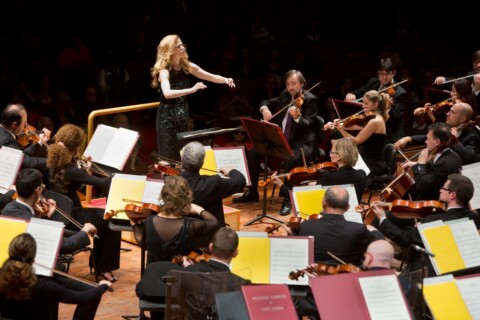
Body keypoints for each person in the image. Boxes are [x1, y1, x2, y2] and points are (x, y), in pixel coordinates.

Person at [232, 70, 319, 216]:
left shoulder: (310, 99)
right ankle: (253, 191)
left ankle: (286, 198)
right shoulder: (286, 94)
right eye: (288, 84)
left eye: (294, 84)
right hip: (280, 140)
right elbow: (265, 102)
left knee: (291, 158)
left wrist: (297, 118)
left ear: (302, 84)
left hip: (300, 144)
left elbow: (309, 124)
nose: (290, 88)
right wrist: (264, 108)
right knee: (254, 151)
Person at [46, 124, 121, 282]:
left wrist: (84, 169)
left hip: (60, 214)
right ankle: (103, 268)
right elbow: (103, 183)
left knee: (105, 219)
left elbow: (76, 178)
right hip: (74, 217)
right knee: (113, 219)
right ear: (75, 146)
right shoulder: (71, 170)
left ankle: (99, 264)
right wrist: (117, 175)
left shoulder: (54, 162)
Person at [371, 174, 480, 274]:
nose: (440, 190)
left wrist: (382, 218)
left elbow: (404, 239)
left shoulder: (432, 221)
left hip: (433, 272)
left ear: (452, 195)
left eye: (444, 188)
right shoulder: (475, 219)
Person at [150, 34, 235, 161]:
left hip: (182, 113)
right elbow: (167, 93)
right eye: (179, 46)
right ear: (171, 50)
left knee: (181, 154)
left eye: (182, 44)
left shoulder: (187, 66)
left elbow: (209, 76)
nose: (183, 47)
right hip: (167, 117)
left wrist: (225, 80)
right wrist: (192, 89)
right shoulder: (164, 71)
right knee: (168, 157)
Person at [0, 233, 112, 320]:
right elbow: (85, 297)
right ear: (34, 258)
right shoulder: (42, 286)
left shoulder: (2, 276)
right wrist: (103, 286)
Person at [1, 168, 97, 256]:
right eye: (42, 187)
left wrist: (45, 216)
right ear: (37, 190)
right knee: (60, 268)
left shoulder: (8, 208)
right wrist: (85, 231)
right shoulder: (32, 222)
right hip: (26, 267)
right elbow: (65, 246)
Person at [131, 175, 220, 264]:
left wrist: (134, 224)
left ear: (163, 196)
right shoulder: (192, 225)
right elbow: (214, 223)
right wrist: (197, 209)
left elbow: (143, 245)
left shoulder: (149, 220)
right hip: (179, 275)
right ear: (186, 198)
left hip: (154, 274)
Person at [179, 141, 245, 247]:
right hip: (209, 239)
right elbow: (240, 181)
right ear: (202, 163)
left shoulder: (170, 183)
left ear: (182, 160)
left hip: (180, 238)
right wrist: (231, 170)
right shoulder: (213, 183)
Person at [298, 185, 385, 266]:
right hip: (348, 277)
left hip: (315, 277)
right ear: (347, 207)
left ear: (323, 202)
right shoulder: (358, 229)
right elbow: (382, 247)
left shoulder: (306, 226)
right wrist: (374, 230)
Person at [272, 137, 367, 205]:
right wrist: (319, 184)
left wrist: (281, 185)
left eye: (332, 152)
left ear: (339, 156)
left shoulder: (329, 177)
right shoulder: (362, 174)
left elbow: (301, 199)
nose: (329, 155)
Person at [327, 90, 389, 178]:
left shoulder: (375, 121)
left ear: (375, 104)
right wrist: (337, 124)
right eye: (363, 102)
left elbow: (355, 142)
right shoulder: (371, 118)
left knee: (344, 173)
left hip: (373, 164)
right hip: (366, 159)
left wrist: (340, 129)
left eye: (366, 103)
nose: (363, 106)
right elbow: (354, 126)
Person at [345, 57, 407, 143]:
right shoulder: (373, 82)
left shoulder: (400, 93)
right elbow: (358, 92)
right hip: (370, 130)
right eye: (381, 74)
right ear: (377, 73)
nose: (384, 77)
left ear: (394, 73)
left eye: (388, 74)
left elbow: (396, 119)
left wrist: (389, 107)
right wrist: (351, 94)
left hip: (389, 134)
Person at [396, 102, 480, 165]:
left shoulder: (471, 136)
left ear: (462, 119)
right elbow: (432, 137)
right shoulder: (449, 127)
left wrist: (455, 140)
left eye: (452, 112)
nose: (447, 114)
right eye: (449, 111)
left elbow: (469, 158)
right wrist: (409, 139)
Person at [400, 122, 462, 200]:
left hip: (433, 205)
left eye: (428, 139)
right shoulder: (452, 154)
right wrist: (415, 164)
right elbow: (434, 169)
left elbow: (421, 185)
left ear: (437, 142)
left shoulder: (443, 164)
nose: (425, 142)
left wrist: (421, 163)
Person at [0, 103, 50, 172]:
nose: (27, 126)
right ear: (14, 125)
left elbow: (21, 154)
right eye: (25, 123)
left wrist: (40, 142)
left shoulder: (3, 132)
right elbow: (27, 162)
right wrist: (52, 161)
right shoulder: (6, 140)